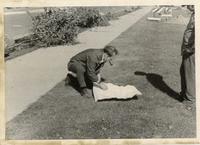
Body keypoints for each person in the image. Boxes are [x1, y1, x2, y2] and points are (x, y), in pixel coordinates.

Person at [180, 5, 195, 104]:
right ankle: (185, 95)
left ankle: (190, 100)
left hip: (191, 50)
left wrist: (191, 48)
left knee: (190, 74)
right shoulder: (194, 14)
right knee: (183, 71)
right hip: (188, 49)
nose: (187, 6)